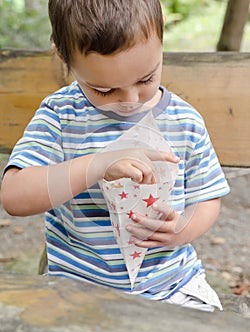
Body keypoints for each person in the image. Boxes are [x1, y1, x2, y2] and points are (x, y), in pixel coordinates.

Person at [0, 0, 230, 312]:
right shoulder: (61, 116)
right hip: (77, 292)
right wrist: (97, 164)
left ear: (162, 35)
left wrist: (183, 229)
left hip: (173, 287)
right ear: (62, 55)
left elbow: (207, 197)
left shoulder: (184, 121)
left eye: (146, 79)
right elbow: (14, 197)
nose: (130, 101)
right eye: (104, 90)